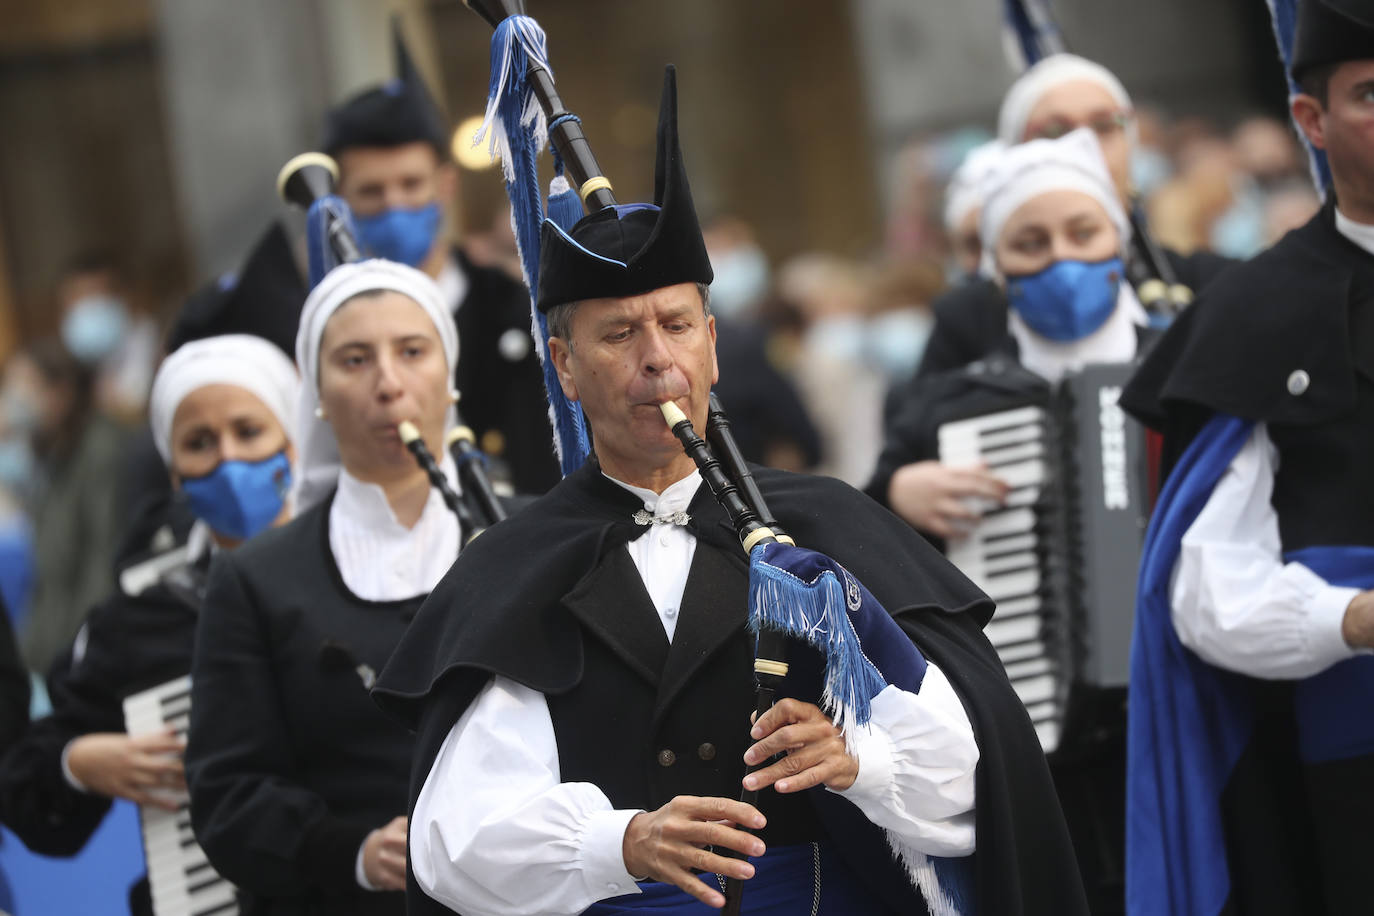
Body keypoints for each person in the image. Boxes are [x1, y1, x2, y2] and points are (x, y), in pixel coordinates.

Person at [374, 67, 1087, 916]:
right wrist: (620, 842)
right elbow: (456, 841)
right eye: (618, 334)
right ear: (564, 366)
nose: (655, 359)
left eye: (675, 325)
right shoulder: (519, 568)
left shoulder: (823, 522)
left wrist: (862, 759)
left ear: (710, 344)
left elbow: (977, 783)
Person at [1119, 4, 1374, 914]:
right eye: (1371, 94)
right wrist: (1355, 616)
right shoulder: (1257, 313)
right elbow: (1204, 590)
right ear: (1311, 120)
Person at [864, 128, 1154, 914]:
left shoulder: (1186, 364)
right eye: (1030, 242)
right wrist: (896, 495)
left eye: (1082, 232)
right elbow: (865, 557)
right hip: (1051, 758)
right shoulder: (951, 405)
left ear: (1119, 240)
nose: (1061, 257)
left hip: (1190, 741)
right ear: (996, 265)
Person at [186, 259, 464, 915]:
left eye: (412, 351)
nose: (389, 384)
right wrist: (352, 853)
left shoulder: (530, 534)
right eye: (355, 360)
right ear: (315, 391)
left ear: (449, 374)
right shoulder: (257, 578)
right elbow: (227, 793)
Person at [0, 333, 299, 915]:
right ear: (174, 475)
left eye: (249, 431)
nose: (228, 460)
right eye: (199, 443)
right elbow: (27, 790)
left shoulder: (365, 576)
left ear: (293, 439)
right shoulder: (141, 621)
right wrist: (77, 763)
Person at [322, 23, 558, 493]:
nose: (393, 205)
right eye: (371, 191)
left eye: (410, 184)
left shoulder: (517, 309)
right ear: (340, 200)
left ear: (445, 186)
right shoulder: (325, 327)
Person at [912, 53, 1233, 382]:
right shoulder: (967, 322)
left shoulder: (1210, 285)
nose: (1085, 146)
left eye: (1106, 126)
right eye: (1053, 132)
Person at [7, 338, 129, 675]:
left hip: (80, 659)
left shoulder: (101, 454)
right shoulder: (52, 453)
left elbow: (99, 573)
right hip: (46, 651)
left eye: (24, 385)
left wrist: (70, 667)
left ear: (60, 393)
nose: (13, 398)